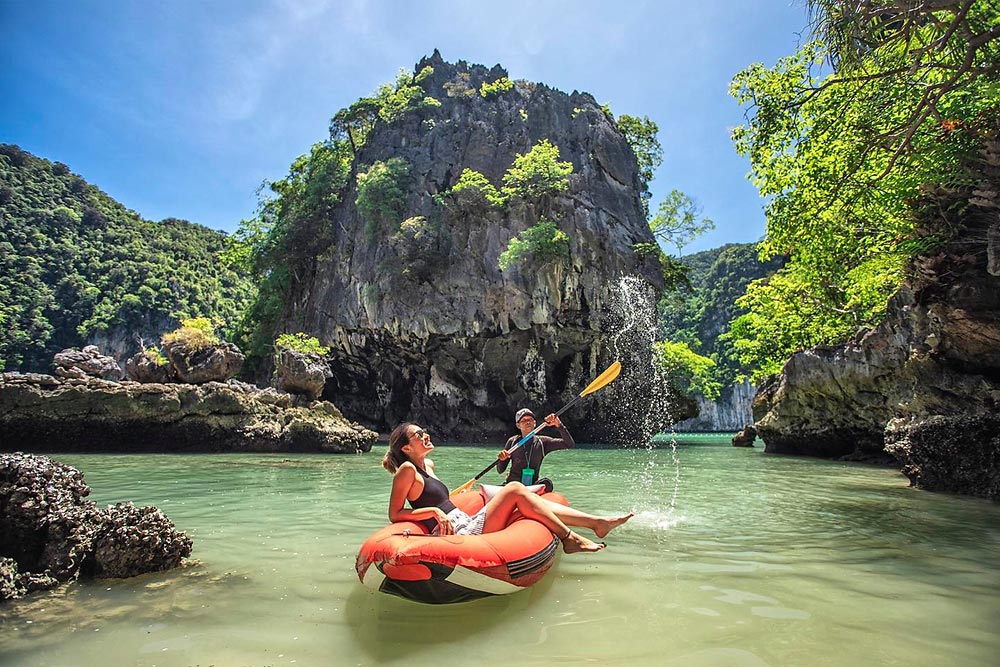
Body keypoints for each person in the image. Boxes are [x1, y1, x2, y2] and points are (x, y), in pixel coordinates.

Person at [382, 422, 634, 554]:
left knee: (523, 502)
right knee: (513, 488)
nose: (426, 435)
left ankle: (597, 523)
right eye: (418, 435)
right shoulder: (408, 471)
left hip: (466, 520)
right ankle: (570, 538)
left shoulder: (428, 464)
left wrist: (441, 505)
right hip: (460, 533)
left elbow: (436, 498)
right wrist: (433, 513)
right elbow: (395, 514)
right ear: (406, 448)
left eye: (424, 432)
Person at [497, 408, 573, 486]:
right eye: (523, 420)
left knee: (547, 483)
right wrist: (502, 459)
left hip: (532, 486)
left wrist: (558, 424)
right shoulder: (512, 442)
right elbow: (500, 470)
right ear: (518, 425)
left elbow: (569, 444)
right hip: (513, 484)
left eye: (530, 419)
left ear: (534, 423)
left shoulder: (543, 442)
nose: (528, 422)